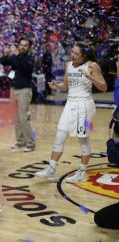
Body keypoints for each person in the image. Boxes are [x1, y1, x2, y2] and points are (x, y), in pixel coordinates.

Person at [35, 42, 107, 183]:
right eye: (72, 52)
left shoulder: (92, 66)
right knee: (59, 136)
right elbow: (65, 85)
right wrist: (56, 86)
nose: (72, 55)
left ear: (84, 55)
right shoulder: (68, 65)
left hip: (84, 106)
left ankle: (82, 172)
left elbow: (103, 87)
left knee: (83, 140)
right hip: (70, 104)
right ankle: (51, 170)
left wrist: (90, 77)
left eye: (75, 53)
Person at [0, 37, 36, 152]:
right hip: (14, 89)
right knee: (16, 117)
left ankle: (31, 143)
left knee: (23, 117)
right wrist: (5, 54)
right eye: (21, 45)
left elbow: (25, 66)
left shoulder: (30, 58)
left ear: (29, 47)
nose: (23, 47)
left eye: (25, 45)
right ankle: (20, 141)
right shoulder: (16, 57)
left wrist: (15, 55)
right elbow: (4, 62)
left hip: (24, 90)